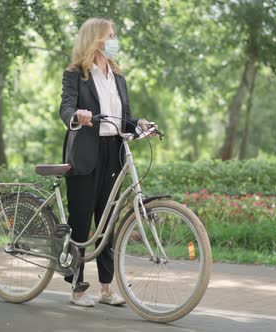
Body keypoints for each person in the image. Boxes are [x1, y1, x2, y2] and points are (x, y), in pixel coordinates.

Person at [58, 17, 154, 307]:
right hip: (86, 152)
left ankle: (106, 288)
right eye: (109, 35)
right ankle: (76, 289)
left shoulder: (118, 76)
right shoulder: (76, 74)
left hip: (114, 152)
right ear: (95, 39)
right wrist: (78, 116)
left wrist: (140, 123)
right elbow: (66, 108)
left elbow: (123, 117)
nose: (114, 40)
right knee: (80, 221)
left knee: (108, 221)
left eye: (114, 35)